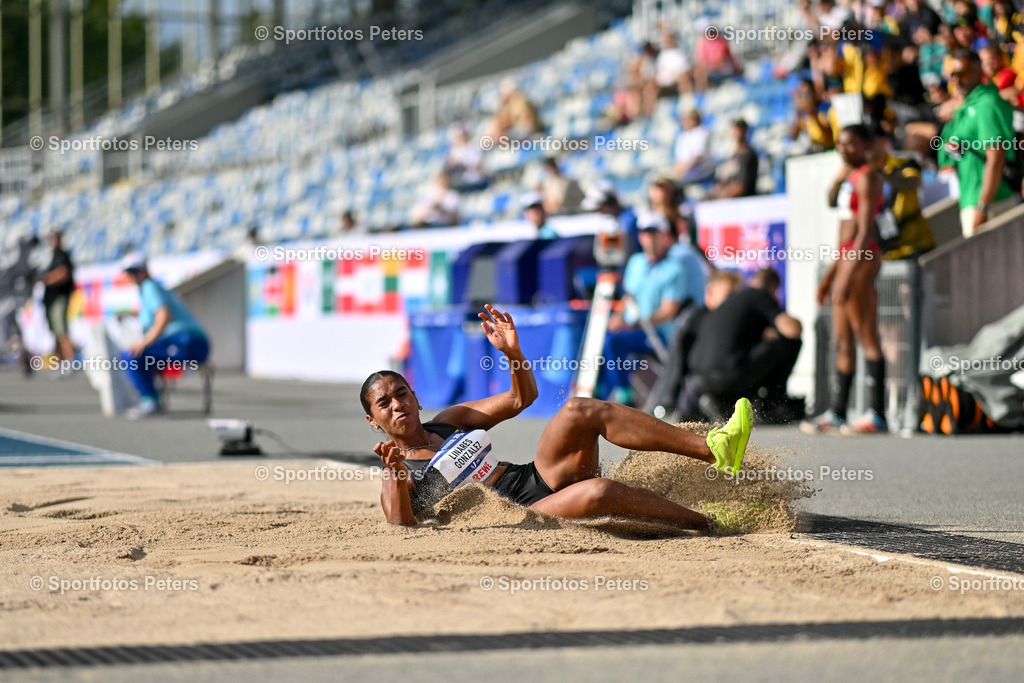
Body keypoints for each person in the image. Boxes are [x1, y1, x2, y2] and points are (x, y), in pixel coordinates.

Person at [365, 304, 753, 529]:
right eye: (385, 404)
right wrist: (398, 474)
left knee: (579, 408)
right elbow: (401, 526)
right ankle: (705, 523)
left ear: (415, 397)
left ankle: (714, 448)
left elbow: (522, 398)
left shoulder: (448, 421)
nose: (397, 405)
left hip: (534, 477)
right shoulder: (396, 472)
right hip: (518, 515)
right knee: (600, 491)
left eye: (402, 394)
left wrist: (513, 354)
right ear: (374, 420)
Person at [802, 124, 887, 435]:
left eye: (850, 144)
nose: (843, 149)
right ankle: (838, 412)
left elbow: (864, 233)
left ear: (865, 144)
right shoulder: (849, 177)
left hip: (861, 258)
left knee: (866, 336)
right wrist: (830, 277)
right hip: (846, 257)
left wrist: (846, 273)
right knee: (842, 340)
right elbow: (835, 212)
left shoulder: (868, 177)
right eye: (839, 144)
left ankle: (877, 415)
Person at [675, 269, 803, 423]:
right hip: (729, 375)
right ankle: (771, 406)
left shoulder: (717, 309)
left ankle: (722, 403)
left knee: (738, 361)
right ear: (772, 289)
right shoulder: (758, 295)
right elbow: (793, 330)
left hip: (699, 378)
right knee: (789, 343)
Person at [603, 211, 689, 405]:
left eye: (652, 232)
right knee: (605, 340)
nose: (647, 237)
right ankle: (604, 396)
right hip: (635, 330)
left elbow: (669, 311)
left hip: (658, 335)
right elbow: (628, 297)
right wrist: (618, 318)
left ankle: (625, 397)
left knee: (613, 343)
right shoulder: (636, 263)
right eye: (644, 232)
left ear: (664, 236)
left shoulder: (675, 268)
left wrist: (637, 324)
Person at [117, 253, 211, 418]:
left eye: (135, 271)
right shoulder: (147, 290)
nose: (132, 275)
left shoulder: (149, 286)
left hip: (188, 342)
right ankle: (150, 399)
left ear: (144, 270)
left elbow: (164, 316)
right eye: (129, 272)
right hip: (184, 342)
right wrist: (128, 314)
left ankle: (151, 402)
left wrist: (145, 342)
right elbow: (150, 314)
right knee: (137, 356)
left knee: (132, 355)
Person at [938, 49, 1017, 237]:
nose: (955, 80)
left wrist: (983, 206)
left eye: (961, 73)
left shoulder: (985, 106)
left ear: (977, 71)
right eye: (952, 75)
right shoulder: (967, 106)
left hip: (991, 202)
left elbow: (996, 156)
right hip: (972, 199)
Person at [0, 235, 39, 376]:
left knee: (7, 332)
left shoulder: (10, 263)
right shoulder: (18, 263)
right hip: (9, 302)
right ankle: (22, 352)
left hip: (6, 304)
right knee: (14, 330)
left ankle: (20, 353)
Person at [39, 231, 76, 364]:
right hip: (51, 298)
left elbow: (63, 273)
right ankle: (60, 361)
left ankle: (70, 361)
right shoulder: (51, 255)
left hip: (59, 297)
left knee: (62, 331)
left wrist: (46, 279)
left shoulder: (61, 255)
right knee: (56, 332)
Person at [707, 119, 758, 199]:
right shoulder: (732, 154)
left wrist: (721, 198)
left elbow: (741, 186)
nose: (736, 133)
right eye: (734, 129)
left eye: (739, 130)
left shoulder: (747, 154)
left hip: (742, 201)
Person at [673, 109, 716, 185]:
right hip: (686, 170)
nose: (683, 122)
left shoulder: (703, 133)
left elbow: (697, 158)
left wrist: (681, 172)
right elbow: (680, 159)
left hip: (701, 169)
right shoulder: (683, 135)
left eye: (686, 119)